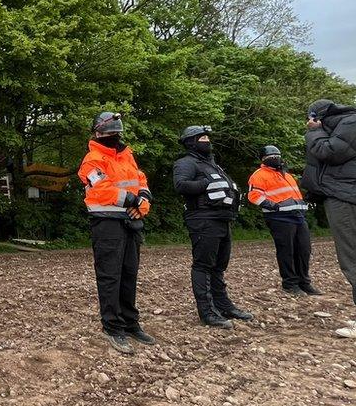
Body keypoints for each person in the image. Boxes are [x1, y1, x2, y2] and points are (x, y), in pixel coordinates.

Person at [300, 99, 356, 339]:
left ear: (317, 115)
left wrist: (315, 131)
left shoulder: (354, 123)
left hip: (347, 197)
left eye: (311, 118)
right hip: (349, 194)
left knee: (355, 261)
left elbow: (327, 151)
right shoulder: (354, 123)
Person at [78, 112, 155, 354]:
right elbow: (101, 190)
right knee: (110, 276)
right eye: (108, 132)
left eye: (116, 132)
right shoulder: (92, 159)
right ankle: (112, 327)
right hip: (107, 223)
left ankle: (130, 322)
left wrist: (143, 202)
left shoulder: (127, 155)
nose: (113, 136)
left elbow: (140, 179)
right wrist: (134, 200)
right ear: (97, 133)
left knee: (129, 274)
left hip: (131, 221)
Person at [172, 125, 252, 329]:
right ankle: (207, 312)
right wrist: (205, 184)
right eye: (202, 137)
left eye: (208, 137)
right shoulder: (186, 163)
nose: (206, 141)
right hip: (202, 219)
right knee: (203, 266)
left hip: (222, 219)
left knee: (219, 266)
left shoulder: (213, 164)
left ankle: (223, 305)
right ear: (191, 142)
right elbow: (180, 185)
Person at [247, 145, 321, 296]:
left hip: (298, 216)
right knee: (286, 251)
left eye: (277, 155)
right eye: (271, 156)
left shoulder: (286, 175)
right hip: (279, 218)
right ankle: (290, 284)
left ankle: (304, 282)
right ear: (263, 159)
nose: (275, 158)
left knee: (304, 250)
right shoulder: (259, 175)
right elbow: (253, 195)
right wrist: (272, 206)